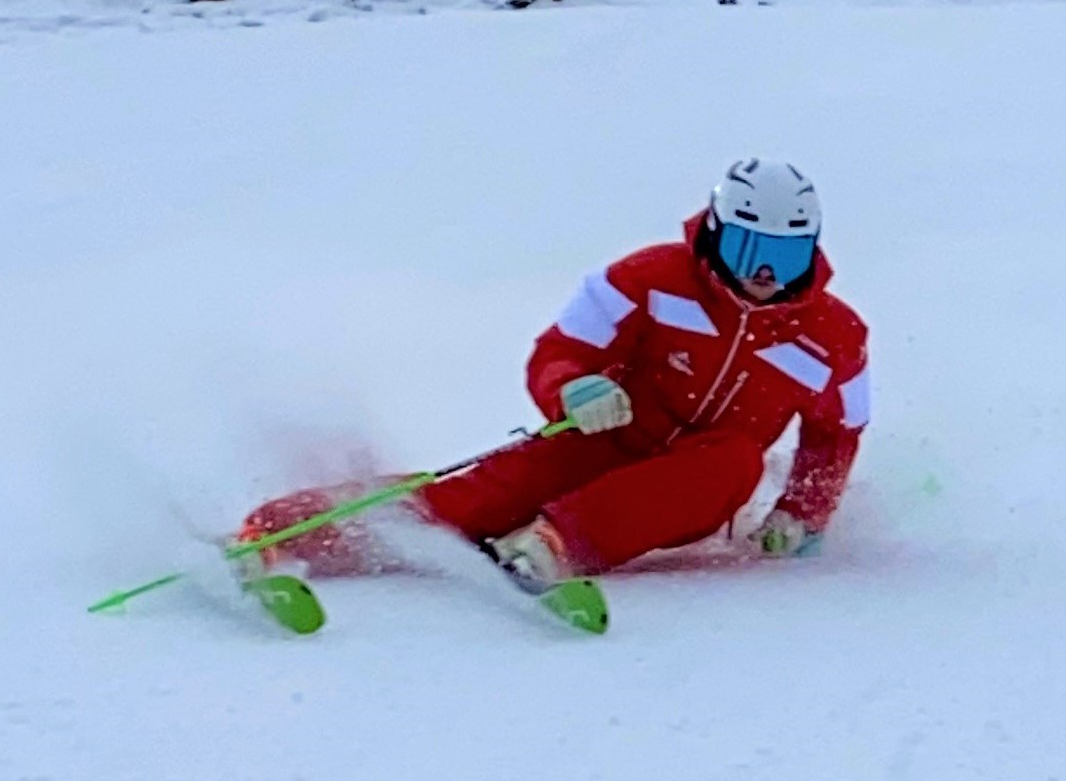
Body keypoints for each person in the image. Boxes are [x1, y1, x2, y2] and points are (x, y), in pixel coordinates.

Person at [236, 158, 870, 591]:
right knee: (471, 497)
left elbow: (835, 434)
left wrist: (803, 513)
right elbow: (560, 349)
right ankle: (282, 531)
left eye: (784, 255)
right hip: (605, 437)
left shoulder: (835, 336)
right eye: (747, 250)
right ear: (716, 231)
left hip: (697, 482)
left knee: (736, 459)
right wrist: (574, 387)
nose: (764, 273)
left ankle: (554, 544)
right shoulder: (647, 279)